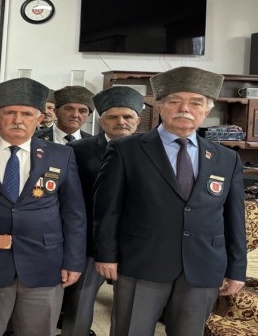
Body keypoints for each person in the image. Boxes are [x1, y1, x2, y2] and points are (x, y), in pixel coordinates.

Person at [93, 67, 247, 336]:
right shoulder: (126, 149)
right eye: (175, 101)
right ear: (160, 106)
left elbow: (234, 218)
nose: (184, 109)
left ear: (206, 110)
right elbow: (107, 209)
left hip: (203, 266)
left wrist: (237, 269)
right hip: (141, 262)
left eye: (195, 103)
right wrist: (106, 255)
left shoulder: (226, 158)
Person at [0, 77, 85, 336]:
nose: (18, 120)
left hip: (45, 263)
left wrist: (74, 260)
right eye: (10, 112)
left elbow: (73, 213)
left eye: (27, 114)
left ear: (39, 118)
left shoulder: (61, 155)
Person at [61, 86, 144, 336]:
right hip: (89, 243)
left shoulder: (152, 150)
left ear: (138, 120)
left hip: (137, 244)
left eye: (127, 116)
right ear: (101, 121)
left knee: (132, 310)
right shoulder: (78, 150)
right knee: (79, 304)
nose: (121, 122)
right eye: (113, 117)